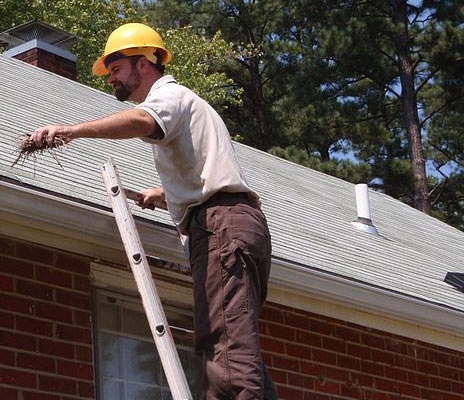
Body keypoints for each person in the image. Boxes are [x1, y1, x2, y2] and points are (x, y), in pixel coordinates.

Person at [30, 23, 278, 400]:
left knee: (227, 350)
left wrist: (73, 130)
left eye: (116, 70)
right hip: (234, 224)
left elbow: (144, 121)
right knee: (236, 342)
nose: (112, 80)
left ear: (144, 64)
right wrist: (165, 194)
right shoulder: (189, 106)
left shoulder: (169, 96)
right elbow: (208, 172)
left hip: (221, 228)